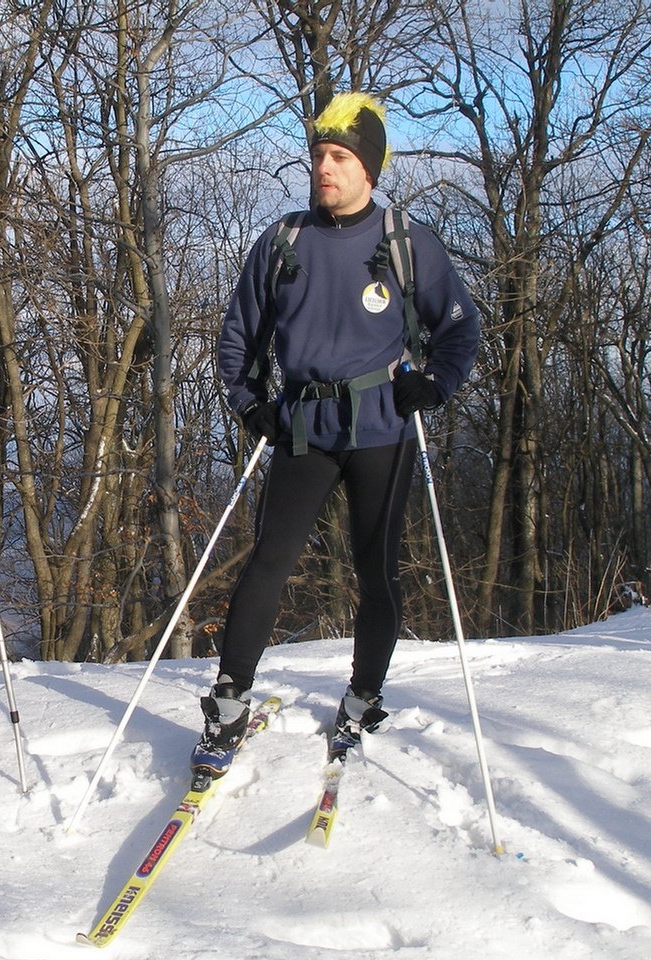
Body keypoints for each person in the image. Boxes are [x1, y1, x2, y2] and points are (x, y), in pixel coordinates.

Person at [193, 92, 480, 771]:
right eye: (319, 155)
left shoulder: (406, 242)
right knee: (269, 560)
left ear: (369, 167)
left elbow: (461, 325)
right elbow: (236, 335)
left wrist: (434, 381)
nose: (325, 167)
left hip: (382, 425)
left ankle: (363, 695)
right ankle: (229, 702)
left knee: (376, 569)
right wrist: (246, 403)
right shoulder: (284, 240)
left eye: (340, 156)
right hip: (302, 427)